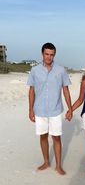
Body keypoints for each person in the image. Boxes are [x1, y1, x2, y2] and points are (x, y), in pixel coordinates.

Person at [27, 42, 72, 175]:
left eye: (51, 55)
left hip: (55, 110)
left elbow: (66, 90)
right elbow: (31, 91)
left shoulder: (61, 70)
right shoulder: (35, 70)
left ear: (54, 55)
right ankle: (46, 162)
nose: (49, 57)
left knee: (56, 138)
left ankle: (58, 165)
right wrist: (30, 110)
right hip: (39, 110)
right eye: (47, 54)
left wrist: (70, 109)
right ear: (42, 54)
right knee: (43, 136)